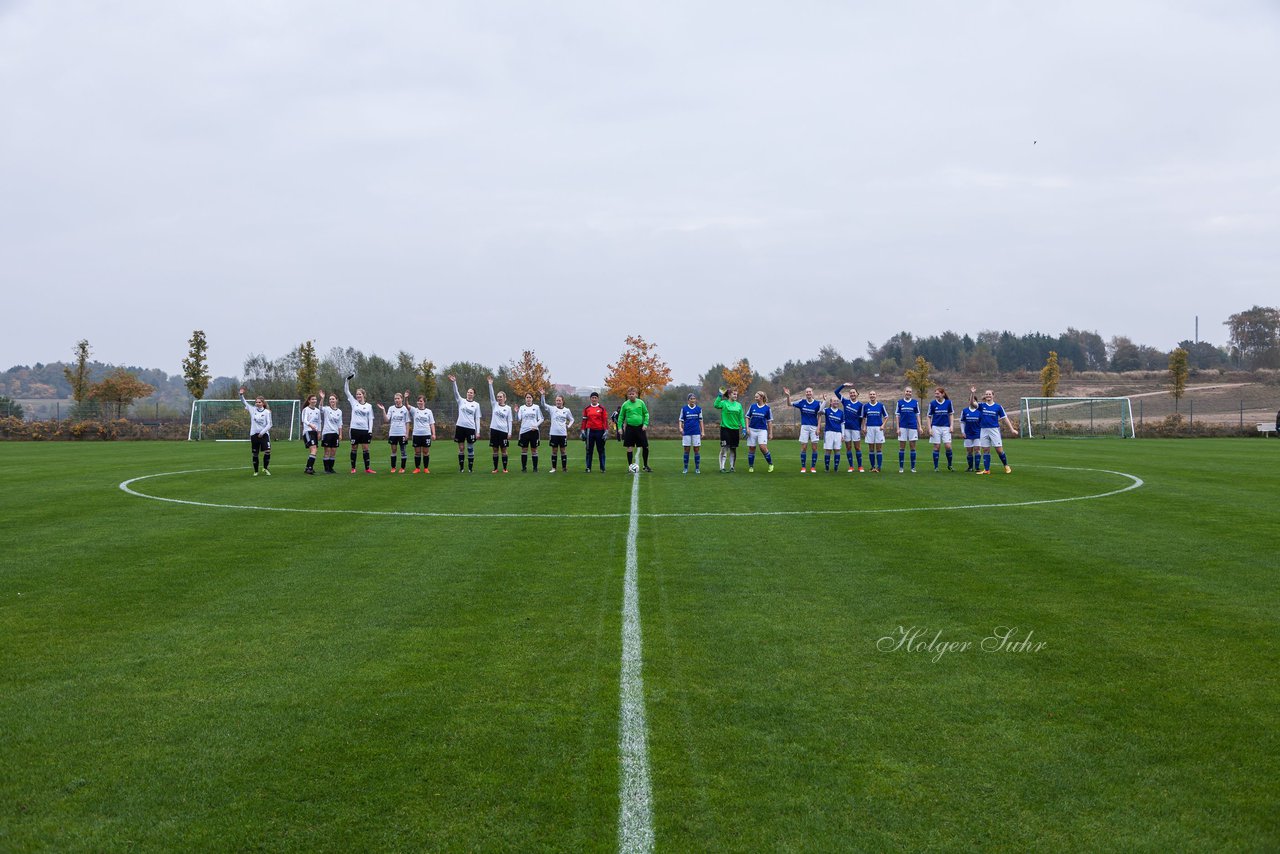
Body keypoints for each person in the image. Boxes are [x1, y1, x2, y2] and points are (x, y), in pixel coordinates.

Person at [973, 386, 1019, 474]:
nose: (988, 395)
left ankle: (1006, 466)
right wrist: (972, 393)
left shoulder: (998, 407)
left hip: (994, 430)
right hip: (983, 430)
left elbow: (1005, 418)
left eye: (989, 394)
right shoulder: (982, 406)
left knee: (999, 450)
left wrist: (1012, 429)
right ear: (985, 396)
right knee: (985, 450)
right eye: (986, 394)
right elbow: (972, 403)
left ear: (993, 396)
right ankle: (987, 470)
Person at [783, 386, 822, 473]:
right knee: (804, 447)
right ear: (805, 393)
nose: (808, 393)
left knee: (814, 448)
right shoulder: (802, 402)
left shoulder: (817, 403)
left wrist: (818, 428)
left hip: (814, 427)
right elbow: (789, 404)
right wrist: (788, 396)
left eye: (810, 392)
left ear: (812, 393)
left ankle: (813, 467)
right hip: (804, 427)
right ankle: (803, 467)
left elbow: (819, 416)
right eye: (807, 392)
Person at [449, 374, 482, 473]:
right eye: (468, 392)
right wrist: (454, 382)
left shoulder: (476, 405)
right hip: (460, 427)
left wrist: (478, 431)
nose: (469, 394)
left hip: (470, 428)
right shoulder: (461, 401)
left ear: (474, 394)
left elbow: (477, 419)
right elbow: (456, 392)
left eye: (471, 392)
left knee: (470, 448)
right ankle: (461, 468)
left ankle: (470, 468)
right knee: (461, 448)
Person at [344, 374, 376, 474]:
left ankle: (367, 469)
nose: (358, 396)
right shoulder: (353, 402)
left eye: (359, 394)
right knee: (354, 448)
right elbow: (346, 391)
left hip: (365, 430)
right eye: (357, 394)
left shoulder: (369, 406)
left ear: (363, 395)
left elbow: (370, 419)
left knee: (366, 449)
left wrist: (370, 431)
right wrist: (347, 380)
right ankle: (353, 468)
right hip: (354, 429)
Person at [617, 387, 652, 472]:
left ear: (636, 394)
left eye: (633, 394)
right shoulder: (625, 404)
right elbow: (621, 417)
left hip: (640, 428)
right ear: (628, 395)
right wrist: (619, 428)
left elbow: (646, 413)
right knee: (629, 447)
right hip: (630, 428)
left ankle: (645, 465)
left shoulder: (641, 403)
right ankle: (630, 467)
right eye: (630, 394)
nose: (631, 395)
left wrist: (645, 424)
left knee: (645, 446)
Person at [238, 387, 272, 475]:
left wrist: (262, 433)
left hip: (264, 435)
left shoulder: (267, 412)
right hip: (254, 435)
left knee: (267, 451)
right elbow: (243, 401)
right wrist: (241, 394)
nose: (257, 403)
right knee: (255, 454)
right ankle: (256, 471)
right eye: (256, 402)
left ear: (263, 403)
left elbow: (269, 424)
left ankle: (265, 468)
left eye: (259, 402)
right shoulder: (252, 409)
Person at [540, 390, 574, 473]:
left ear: (563, 401)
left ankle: (564, 468)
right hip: (553, 433)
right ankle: (553, 468)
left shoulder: (567, 410)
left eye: (559, 400)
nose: (558, 402)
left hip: (563, 434)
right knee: (554, 451)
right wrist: (543, 395)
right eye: (556, 400)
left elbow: (572, 419)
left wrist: (568, 426)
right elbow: (543, 405)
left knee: (563, 451)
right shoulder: (552, 409)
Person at [377, 392, 410, 473]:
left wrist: (407, 433)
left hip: (402, 433)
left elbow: (407, 422)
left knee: (403, 451)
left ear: (401, 399)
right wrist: (383, 410)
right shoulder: (391, 408)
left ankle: (402, 468)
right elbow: (386, 420)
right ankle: (393, 467)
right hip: (393, 433)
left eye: (398, 398)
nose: (397, 400)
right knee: (393, 450)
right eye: (395, 399)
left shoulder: (405, 409)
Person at [835, 383, 864, 472]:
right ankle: (851, 466)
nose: (852, 394)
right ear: (849, 395)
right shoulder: (846, 401)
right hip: (846, 428)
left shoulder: (860, 405)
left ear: (857, 394)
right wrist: (843, 385)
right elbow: (836, 392)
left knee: (857, 448)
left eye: (853, 393)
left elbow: (861, 418)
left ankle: (860, 466)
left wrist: (860, 428)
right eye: (850, 393)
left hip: (855, 429)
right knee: (848, 448)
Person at [714, 387, 745, 473]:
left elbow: (741, 417)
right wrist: (720, 395)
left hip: (735, 429)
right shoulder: (724, 403)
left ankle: (732, 467)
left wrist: (744, 427)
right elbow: (715, 405)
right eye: (734, 394)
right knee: (724, 448)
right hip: (725, 429)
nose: (736, 396)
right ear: (729, 395)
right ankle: (722, 467)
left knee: (733, 449)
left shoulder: (739, 405)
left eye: (736, 394)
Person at [487, 376, 513, 473]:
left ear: (504, 398)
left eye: (500, 397)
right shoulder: (494, 405)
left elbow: (509, 421)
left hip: (503, 431)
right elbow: (491, 395)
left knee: (504, 450)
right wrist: (490, 384)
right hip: (494, 430)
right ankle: (495, 468)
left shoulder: (508, 408)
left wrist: (509, 432)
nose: (499, 398)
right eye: (498, 397)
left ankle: (505, 468)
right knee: (494, 450)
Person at [406, 392, 436, 473]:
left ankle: (426, 468)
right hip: (416, 434)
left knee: (426, 452)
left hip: (426, 434)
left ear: (424, 402)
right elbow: (407, 406)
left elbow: (432, 423)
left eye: (421, 401)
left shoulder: (429, 411)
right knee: (417, 452)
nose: (419, 402)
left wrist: (433, 434)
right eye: (418, 401)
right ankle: (417, 468)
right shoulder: (414, 410)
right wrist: (406, 398)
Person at [745, 390, 774, 473]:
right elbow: (747, 417)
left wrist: (770, 433)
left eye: (757, 396)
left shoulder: (767, 408)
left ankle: (770, 464)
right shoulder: (753, 406)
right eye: (755, 396)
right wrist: (747, 428)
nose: (755, 398)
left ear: (761, 397)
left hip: (762, 430)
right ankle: (751, 467)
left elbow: (769, 421)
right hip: (752, 429)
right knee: (752, 448)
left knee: (762, 447)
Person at [927, 386, 955, 471]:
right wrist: (930, 429)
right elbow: (928, 416)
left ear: (943, 394)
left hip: (946, 427)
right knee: (936, 447)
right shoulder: (932, 403)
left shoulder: (948, 402)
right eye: (935, 393)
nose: (936, 395)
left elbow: (951, 414)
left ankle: (950, 465)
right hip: (935, 427)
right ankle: (936, 467)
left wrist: (951, 426)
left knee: (948, 446)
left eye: (938, 393)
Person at [516, 392, 544, 472]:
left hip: (534, 432)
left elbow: (541, 418)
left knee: (534, 450)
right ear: (525, 399)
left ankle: (535, 468)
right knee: (524, 450)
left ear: (532, 399)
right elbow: (519, 419)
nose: (528, 399)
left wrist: (536, 425)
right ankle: (524, 468)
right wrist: (516, 412)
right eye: (527, 397)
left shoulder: (536, 407)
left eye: (530, 397)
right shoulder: (522, 408)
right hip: (524, 432)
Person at [581, 391, 609, 472]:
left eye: (595, 398)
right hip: (590, 431)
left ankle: (602, 468)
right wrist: (583, 430)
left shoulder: (602, 409)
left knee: (601, 450)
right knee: (589, 450)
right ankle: (588, 467)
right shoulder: (587, 409)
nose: (594, 399)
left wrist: (606, 431)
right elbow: (584, 421)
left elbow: (605, 421)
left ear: (598, 399)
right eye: (592, 398)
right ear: (590, 399)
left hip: (600, 431)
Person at [896, 386, 921, 473]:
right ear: (904, 392)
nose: (908, 393)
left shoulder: (915, 402)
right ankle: (901, 467)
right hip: (902, 427)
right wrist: (898, 428)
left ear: (911, 393)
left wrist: (920, 426)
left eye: (910, 392)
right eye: (907, 391)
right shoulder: (899, 402)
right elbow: (897, 416)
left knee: (912, 447)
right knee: (902, 447)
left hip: (913, 427)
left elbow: (917, 415)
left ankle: (913, 467)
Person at [862, 390, 888, 473]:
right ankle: (872, 467)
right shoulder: (865, 406)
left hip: (878, 428)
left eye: (873, 394)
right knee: (871, 448)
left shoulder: (880, 405)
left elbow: (886, 416)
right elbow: (864, 418)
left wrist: (883, 425)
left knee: (879, 448)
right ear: (869, 396)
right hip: (869, 428)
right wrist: (864, 427)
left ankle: (879, 467)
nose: (872, 395)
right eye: (871, 394)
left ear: (876, 395)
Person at [679, 392, 704, 474]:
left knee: (696, 450)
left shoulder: (699, 409)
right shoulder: (684, 409)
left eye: (694, 399)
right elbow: (681, 420)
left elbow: (701, 421)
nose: (693, 400)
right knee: (686, 450)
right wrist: (680, 428)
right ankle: (685, 468)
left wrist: (702, 431)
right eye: (691, 399)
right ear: (688, 400)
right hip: (686, 432)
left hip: (696, 432)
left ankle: (697, 468)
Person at [319, 391, 343, 473]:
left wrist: (340, 434)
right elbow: (320, 408)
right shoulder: (326, 409)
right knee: (327, 451)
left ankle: (331, 468)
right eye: (330, 399)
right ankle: (326, 469)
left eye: (333, 399)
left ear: (336, 400)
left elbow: (340, 424)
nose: (331, 400)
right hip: (327, 433)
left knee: (333, 451)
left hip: (335, 433)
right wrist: (322, 398)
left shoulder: (339, 411)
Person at [960, 392, 982, 472]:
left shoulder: (979, 411)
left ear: (976, 402)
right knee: (969, 451)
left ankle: (977, 467)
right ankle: (970, 467)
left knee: (977, 449)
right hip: (968, 434)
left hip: (977, 433)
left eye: (974, 400)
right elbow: (962, 422)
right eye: (970, 400)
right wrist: (963, 432)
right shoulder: (965, 411)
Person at [300, 393, 322, 475]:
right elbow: (304, 420)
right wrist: (311, 425)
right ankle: (309, 468)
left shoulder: (317, 411)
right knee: (313, 449)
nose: (314, 401)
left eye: (315, 399)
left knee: (314, 450)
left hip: (314, 432)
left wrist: (319, 432)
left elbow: (319, 422)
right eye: (312, 399)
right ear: (309, 401)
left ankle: (309, 467)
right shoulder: (306, 409)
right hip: (308, 431)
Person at [822, 394, 845, 472]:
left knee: (837, 450)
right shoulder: (827, 410)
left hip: (838, 433)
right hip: (829, 432)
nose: (836, 402)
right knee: (828, 450)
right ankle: (827, 467)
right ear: (831, 402)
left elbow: (842, 424)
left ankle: (836, 468)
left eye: (837, 401)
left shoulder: (841, 412)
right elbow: (820, 410)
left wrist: (843, 434)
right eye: (834, 401)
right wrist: (824, 401)